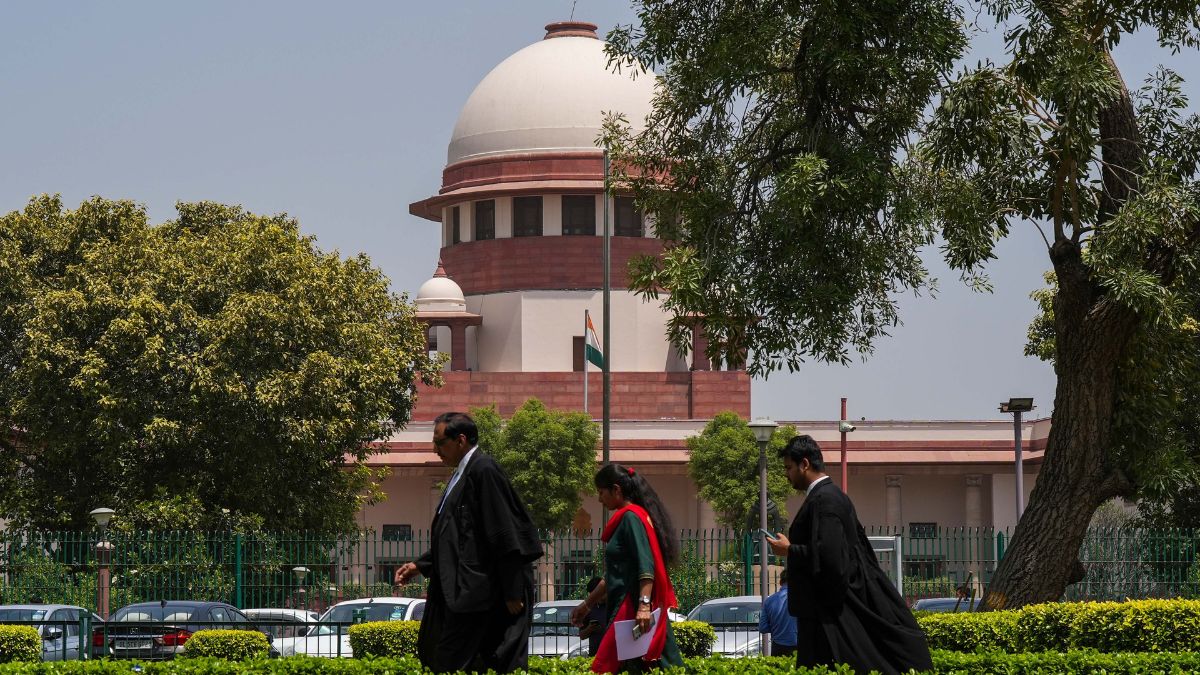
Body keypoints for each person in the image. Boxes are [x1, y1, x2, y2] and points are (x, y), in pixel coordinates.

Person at [766, 435, 933, 675]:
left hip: (830, 616)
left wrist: (789, 550)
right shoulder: (828, 497)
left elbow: (832, 557)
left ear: (804, 464)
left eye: (788, 468)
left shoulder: (825, 500)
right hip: (825, 614)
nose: (786, 474)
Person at [394, 412, 543, 673]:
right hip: (470, 591)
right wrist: (421, 565)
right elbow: (459, 536)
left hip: (487, 592)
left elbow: (502, 530)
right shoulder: (460, 476)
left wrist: (512, 589)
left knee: (473, 659)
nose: (435, 450)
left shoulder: (483, 470)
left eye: (440, 443)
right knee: (456, 658)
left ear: (461, 440)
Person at [570, 464, 683, 673]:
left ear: (616, 490)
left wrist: (643, 606)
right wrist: (587, 604)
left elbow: (645, 564)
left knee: (610, 666)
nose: (599, 499)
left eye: (601, 492)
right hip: (627, 609)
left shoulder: (631, 518)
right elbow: (613, 575)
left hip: (631, 610)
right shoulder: (632, 517)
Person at [757, 578, 797, 657]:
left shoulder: (769, 600)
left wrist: (777, 628)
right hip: (800, 645)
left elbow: (763, 628)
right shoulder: (802, 598)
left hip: (778, 647)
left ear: (780, 582)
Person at [578, 576, 608, 657]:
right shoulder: (589, 609)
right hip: (595, 654)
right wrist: (589, 629)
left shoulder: (614, 606)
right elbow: (582, 635)